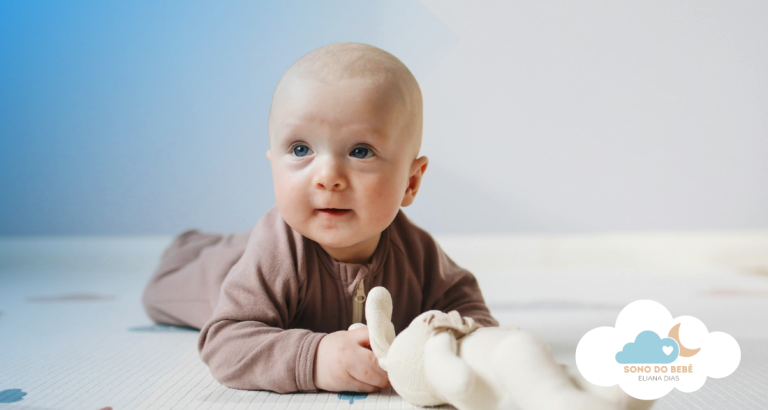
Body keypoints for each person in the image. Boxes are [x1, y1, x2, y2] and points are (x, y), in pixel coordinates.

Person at [141, 42, 498, 395]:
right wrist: (314, 358)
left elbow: (468, 307)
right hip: (218, 272)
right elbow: (224, 343)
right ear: (274, 167)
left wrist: (455, 344)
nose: (327, 176)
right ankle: (191, 245)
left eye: (360, 151)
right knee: (162, 291)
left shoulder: (415, 252)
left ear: (410, 181)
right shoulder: (278, 251)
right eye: (301, 149)